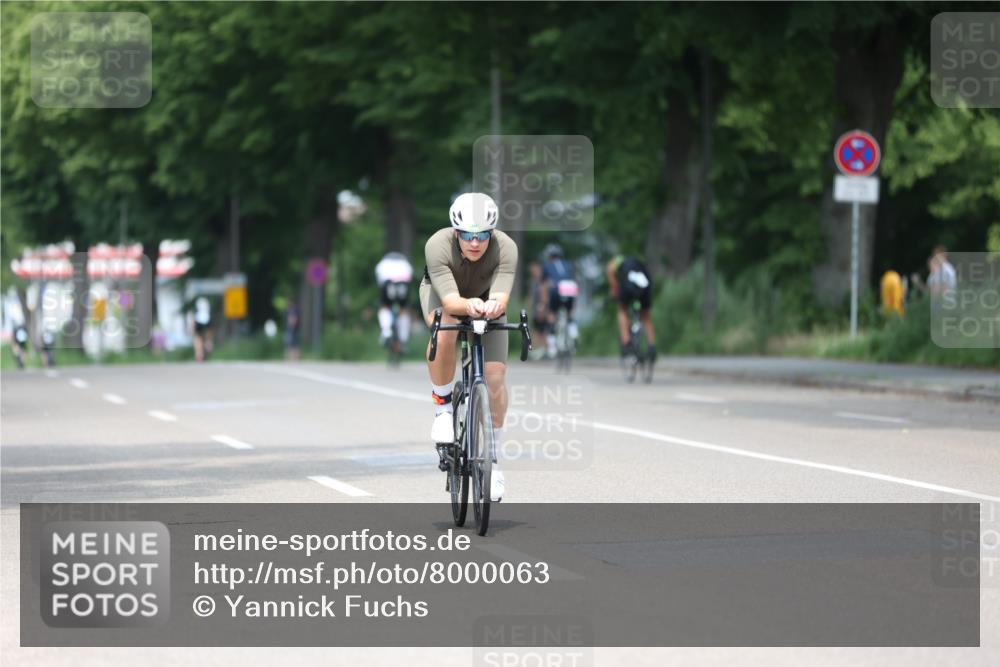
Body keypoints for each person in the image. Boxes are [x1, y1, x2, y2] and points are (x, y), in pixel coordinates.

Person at [420, 192, 516, 502]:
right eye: (467, 235)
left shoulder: (507, 248)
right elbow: (450, 301)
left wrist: (490, 306)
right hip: (445, 296)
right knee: (446, 320)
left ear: (492, 232)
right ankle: (443, 409)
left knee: (496, 378)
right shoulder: (437, 244)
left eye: (482, 235)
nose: (474, 242)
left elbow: (501, 298)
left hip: (487, 303)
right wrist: (468, 304)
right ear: (455, 231)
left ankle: (493, 460)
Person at [606, 255, 655, 361]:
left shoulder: (614, 263)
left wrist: (614, 292)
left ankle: (626, 342)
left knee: (622, 310)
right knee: (646, 315)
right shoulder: (637, 262)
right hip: (644, 282)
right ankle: (652, 347)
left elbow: (612, 279)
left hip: (629, 284)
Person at [540, 243, 579, 357]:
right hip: (570, 287)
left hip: (557, 288)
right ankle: (573, 330)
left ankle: (552, 346)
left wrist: (544, 303)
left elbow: (544, 285)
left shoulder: (547, 265)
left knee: (552, 314)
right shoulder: (567, 264)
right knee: (569, 312)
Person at [374, 251, 414, 350]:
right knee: (404, 310)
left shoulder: (382, 264)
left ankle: (386, 331)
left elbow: (380, 282)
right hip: (403, 285)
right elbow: (409, 279)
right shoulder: (405, 264)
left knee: (384, 306)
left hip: (388, 284)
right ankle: (403, 339)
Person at [192, 296, 213, 362]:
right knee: (199, 337)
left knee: (198, 338)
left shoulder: (198, 313)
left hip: (200, 321)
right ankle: (200, 352)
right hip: (203, 320)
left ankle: (200, 352)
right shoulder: (203, 313)